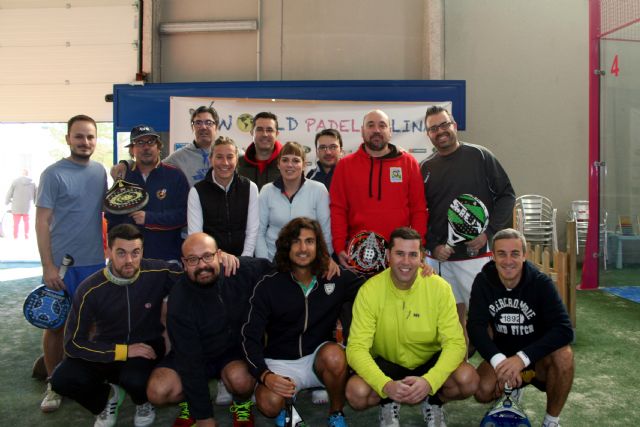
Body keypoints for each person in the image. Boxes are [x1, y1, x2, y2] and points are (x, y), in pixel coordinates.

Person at [50, 224, 182, 427]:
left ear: (142, 252)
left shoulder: (159, 271)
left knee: (135, 380)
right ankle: (105, 399)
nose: (129, 260)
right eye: (121, 253)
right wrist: (123, 351)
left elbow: (196, 274)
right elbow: (73, 344)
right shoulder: (89, 289)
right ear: (108, 252)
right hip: (106, 349)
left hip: (146, 346)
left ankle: (142, 401)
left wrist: (224, 260)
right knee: (61, 379)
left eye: (135, 253)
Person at [345, 227, 478, 427]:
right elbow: (356, 348)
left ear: (421, 258)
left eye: (412, 255)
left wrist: (430, 381)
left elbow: (456, 343)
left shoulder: (440, 288)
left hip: (428, 362)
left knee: (468, 379)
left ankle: (433, 401)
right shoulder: (369, 290)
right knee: (356, 393)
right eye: (399, 254)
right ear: (389, 255)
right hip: (387, 362)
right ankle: (389, 401)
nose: (406, 262)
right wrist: (385, 385)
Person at [241, 217, 364, 427]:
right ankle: (287, 406)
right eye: (296, 241)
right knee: (269, 404)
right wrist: (265, 375)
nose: (303, 248)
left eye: (309, 241)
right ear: (287, 247)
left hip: (317, 358)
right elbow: (248, 337)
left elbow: (373, 287)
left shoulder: (334, 277)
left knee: (335, 356)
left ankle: (336, 413)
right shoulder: (268, 285)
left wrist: (411, 272)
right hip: (280, 363)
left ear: (318, 247)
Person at [146, 233, 272, 427]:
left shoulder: (239, 270)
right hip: (194, 354)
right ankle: (191, 403)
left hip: (231, 353)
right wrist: (204, 417)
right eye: (193, 259)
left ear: (219, 255)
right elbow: (189, 362)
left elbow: (279, 269)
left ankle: (241, 402)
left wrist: (323, 265)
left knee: (241, 380)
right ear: (184, 263)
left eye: (207, 256)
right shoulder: (179, 300)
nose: (202, 265)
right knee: (158, 390)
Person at [421, 105, 515, 350]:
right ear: (428, 134)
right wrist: (433, 245)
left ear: (454, 125)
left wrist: (488, 232)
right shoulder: (425, 168)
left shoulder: (480, 156)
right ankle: (459, 376)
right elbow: (421, 213)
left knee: (491, 320)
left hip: (477, 258)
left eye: (444, 125)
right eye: (433, 128)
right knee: (453, 324)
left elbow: (507, 195)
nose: (440, 131)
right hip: (440, 259)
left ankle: (504, 379)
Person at [35, 114, 108, 413]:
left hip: (93, 264)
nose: (85, 142)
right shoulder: (52, 174)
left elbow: (110, 206)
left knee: (91, 327)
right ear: (68, 139)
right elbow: (42, 222)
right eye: (79, 136)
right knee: (56, 326)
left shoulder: (101, 172)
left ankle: (85, 379)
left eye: (90, 136)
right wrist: (48, 266)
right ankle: (54, 383)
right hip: (62, 266)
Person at [467, 229, 574, 427]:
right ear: (493, 256)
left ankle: (551, 421)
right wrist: (500, 361)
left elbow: (564, 329)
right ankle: (513, 387)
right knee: (482, 391)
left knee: (564, 355)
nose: (508, 260)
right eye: (502, 254)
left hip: (537, 360)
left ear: (524, 256)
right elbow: (476, 327)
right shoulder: (483, 281)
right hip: (503, 356)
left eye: (515, 253)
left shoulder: (541, 283)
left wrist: (522, 358)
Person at [330, 109, 427, 272]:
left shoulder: (408, 163)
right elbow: (338, 209)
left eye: (382, 125)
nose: (376, 130)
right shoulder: (345, 165)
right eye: (371, 125)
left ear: (390, 131)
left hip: (400, 255)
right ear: (362, 131)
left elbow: (418, 210)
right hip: (358, 255)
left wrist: (418, 247)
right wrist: (339, 246)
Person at [106, 124, 189, 261]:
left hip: (167, 258)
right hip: (129, 260)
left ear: (158, 147)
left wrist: (149, 218)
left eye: (151, 142)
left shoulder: (175, 176)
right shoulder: (123, 177)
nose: (146, 147)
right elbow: (113, 217)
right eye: (140, 143)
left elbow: (184, 215)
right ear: (132, 150)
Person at [255, 141, 332, 261]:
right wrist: (264, 262)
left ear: (304, 165)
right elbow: (259, 232)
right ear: (278, 164)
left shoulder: (319, 190)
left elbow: (326, 232)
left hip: (309, 261)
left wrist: (324, 259)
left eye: (296, 160)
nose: (290, 165)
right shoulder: (267, 191)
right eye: (285, 160)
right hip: (273, 261)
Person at [111, 105, 219, 187]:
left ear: (216, 127)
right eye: (198, 123)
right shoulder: (179, 157)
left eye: (208, 122)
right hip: (193, 214)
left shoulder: (227, 155)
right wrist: (127, 164)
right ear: (192, 127)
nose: (203, 127)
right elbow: (151, 165)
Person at [188, 136, 259, 257]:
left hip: (244, 259)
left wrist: (244, 258)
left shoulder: (250, 187)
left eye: (230, 157)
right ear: (211, 159)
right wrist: (218, 257)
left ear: (237, 159)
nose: (225, 163)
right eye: (219, 157)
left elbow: (252, 230)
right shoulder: (197, 192)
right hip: (211, 260)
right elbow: (196, 235)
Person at [237, 112, 283, 190]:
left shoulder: (286, 165)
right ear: (252, 132)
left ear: (277, 134)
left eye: (269, 130)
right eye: (259, 129)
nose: (264, 134)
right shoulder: (238, 165)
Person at [5, 168, 37, 239]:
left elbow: (9, 193)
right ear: (28, 174)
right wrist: (36, 203)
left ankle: (15, 236)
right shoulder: (33, 183)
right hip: (27, 206)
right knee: (26, 222)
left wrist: (7, 202)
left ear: (22, 174)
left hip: (16, 206)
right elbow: (36, 194)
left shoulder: (15, 181)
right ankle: (26, 235)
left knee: (16, 222)